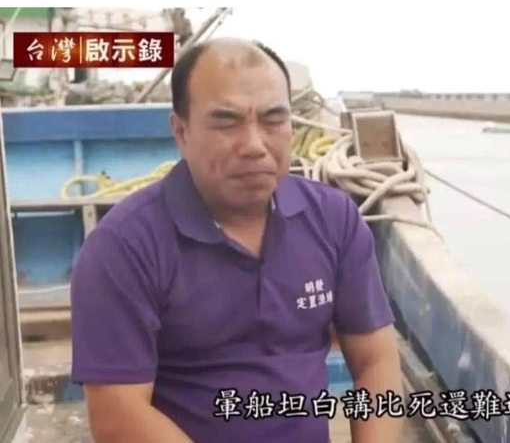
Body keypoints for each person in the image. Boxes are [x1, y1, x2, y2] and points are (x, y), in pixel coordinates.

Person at [71, 37, 403, 442]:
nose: (254, 145)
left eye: (273, 119)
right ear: (181, 131)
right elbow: (118, 414)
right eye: (226, 122)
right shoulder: (124, 246)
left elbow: (375, 360)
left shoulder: (334, 219)